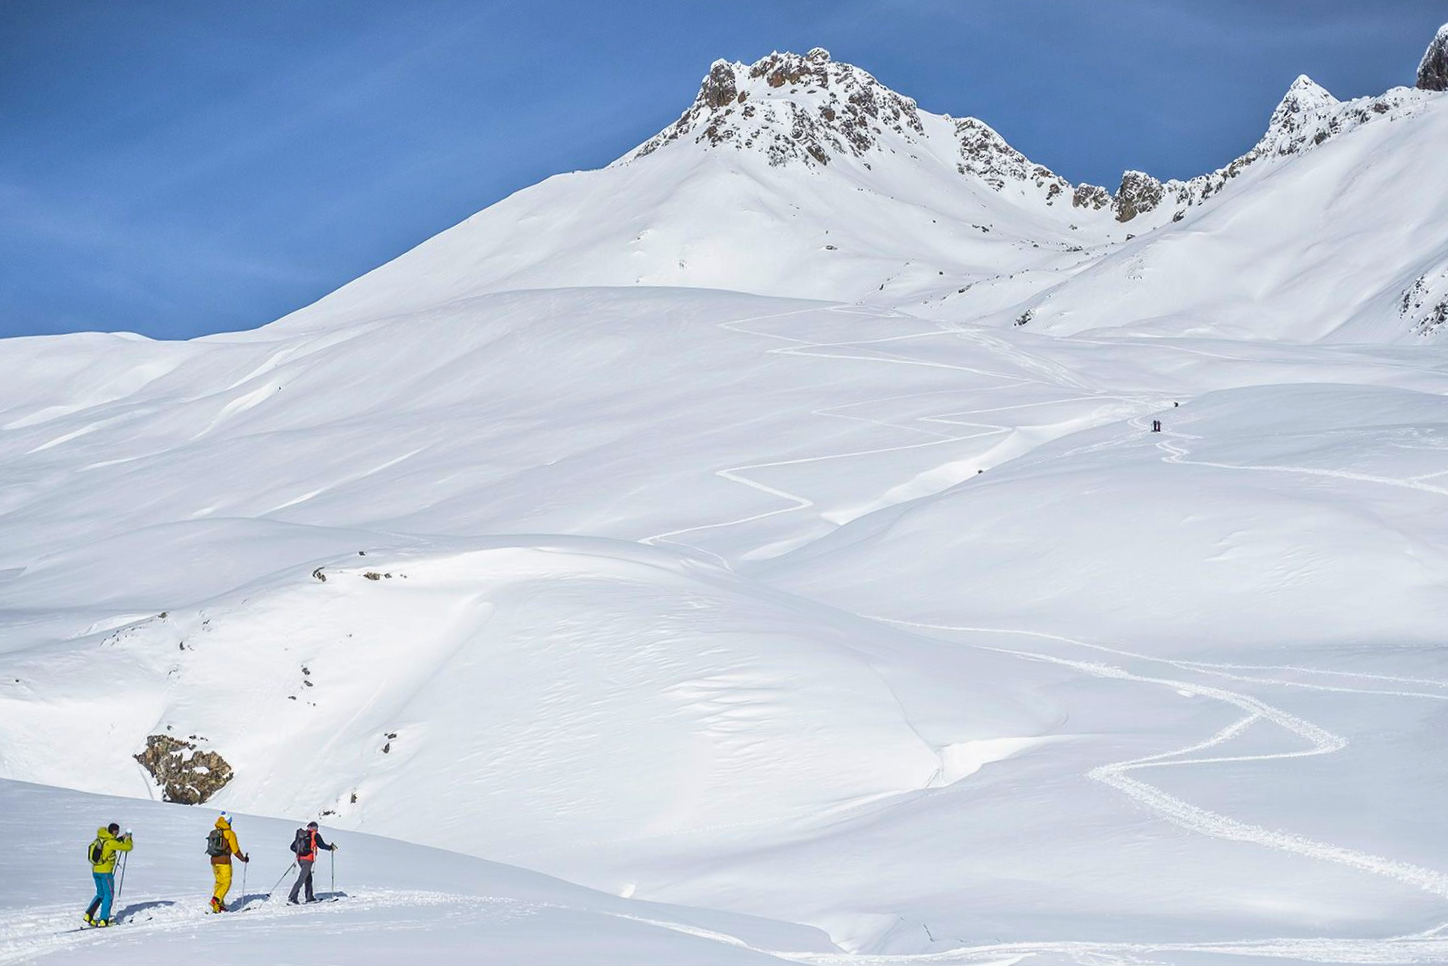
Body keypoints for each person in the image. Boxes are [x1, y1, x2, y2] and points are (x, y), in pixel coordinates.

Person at [85, 823, 133, 927]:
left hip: (95, 870)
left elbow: (111, 843)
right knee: (108, 895)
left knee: (100, 894)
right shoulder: (111, 842)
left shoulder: (101, 838)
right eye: (117, 831)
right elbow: (128, 847)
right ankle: (104, 920)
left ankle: (88, 915)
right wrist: (129, 838)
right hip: (105, 872)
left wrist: (121, 838)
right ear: (114, 831)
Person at [207, 812, 249, 912]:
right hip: (224, 862)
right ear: (229, 823)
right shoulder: (230, 833)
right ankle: (216, 899)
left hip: (214, 861)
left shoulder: (214, 831)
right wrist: (243, 859)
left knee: (219, 882)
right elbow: (235, 850)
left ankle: (218, 906)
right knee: (226, 882)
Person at [288, 821, 338, 904]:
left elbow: (292, 847)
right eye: (316, 828)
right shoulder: (315, 835)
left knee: (308, 878)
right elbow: (321, 845)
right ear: (315, 828)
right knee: (302, 878)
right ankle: (292, 897)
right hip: (308, 860)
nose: (317, 829)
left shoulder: (301, 835)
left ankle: (309, 897)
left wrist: (300, 853)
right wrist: (330, 847)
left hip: (300, 859)